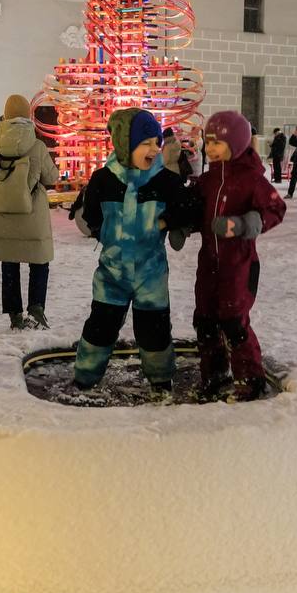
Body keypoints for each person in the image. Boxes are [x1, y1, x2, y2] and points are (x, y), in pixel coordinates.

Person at [70, 109, 197, 392]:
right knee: (100, 327)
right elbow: (90, 216)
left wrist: (163, 221)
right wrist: (106, 232)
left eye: (157, 142)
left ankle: (161, 380)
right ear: (126, 146)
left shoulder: (164, 181)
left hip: (149, 276)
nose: (155, 149)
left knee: (154, 331)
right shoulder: (104, 179)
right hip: (111, 275)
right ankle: (85, 378)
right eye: (146, 143)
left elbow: (189, 208)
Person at [192, 111, 286, 402]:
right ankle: (215, 373)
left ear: (236, 143)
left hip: (238, 265)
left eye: (216, 143)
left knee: (234, 322)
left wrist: (243, 224)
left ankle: (251, 378)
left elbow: (275, 209)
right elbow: (194, 209)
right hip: (208, 264)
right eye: (207, 143)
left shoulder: (251, 180)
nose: (209, 149)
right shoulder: (207, 181)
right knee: (206, 321)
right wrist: (181, 223)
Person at [0, 94, 58, 330]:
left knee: (9, 263)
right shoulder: (37, 146)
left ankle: (14, 313)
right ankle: (36, 308)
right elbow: (52, 177)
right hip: (32, 214)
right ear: (28, 115)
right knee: (39, 261)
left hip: (3, 214)